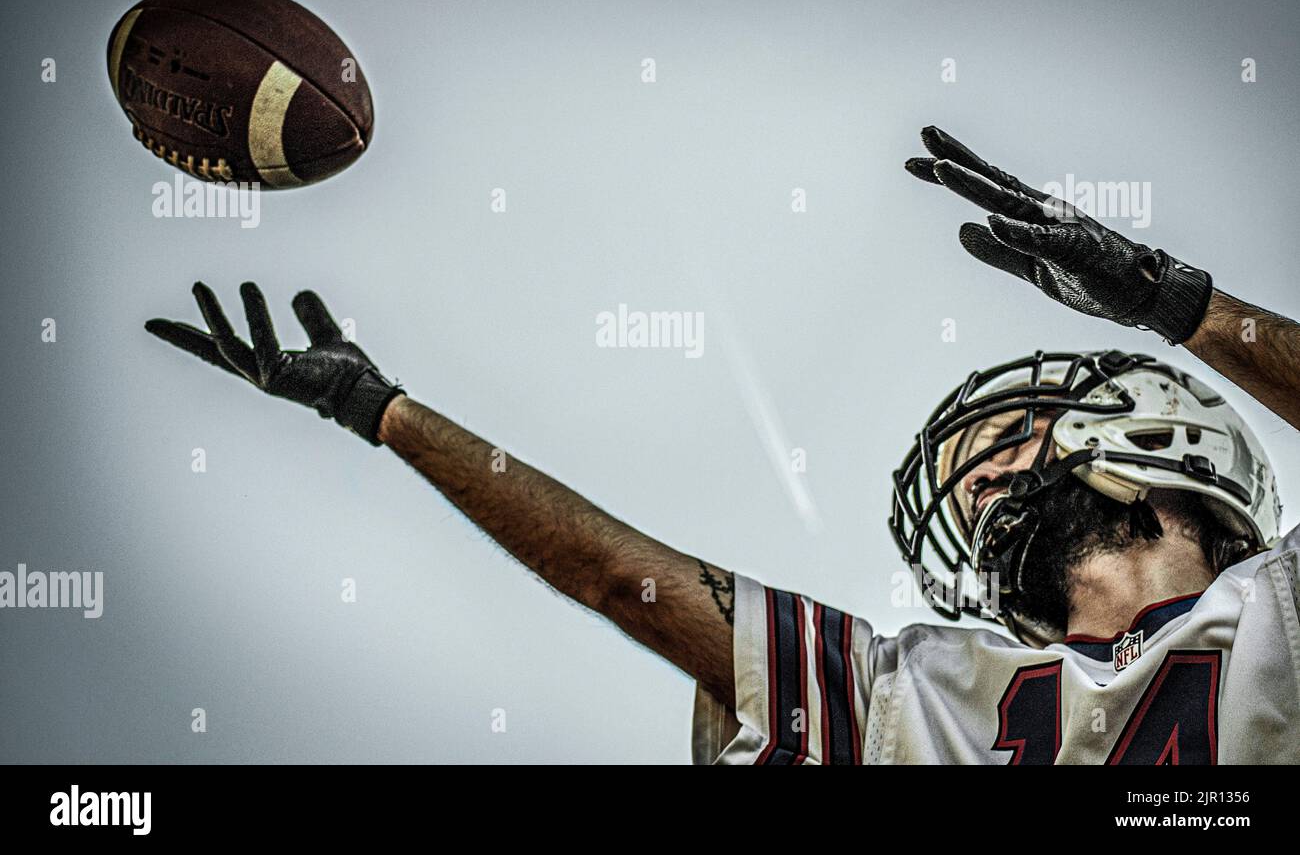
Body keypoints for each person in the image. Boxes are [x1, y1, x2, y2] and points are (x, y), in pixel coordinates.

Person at [145, 127, 1299, 764]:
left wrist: (1178, 301)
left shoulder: (1277, 609)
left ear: (1164, 434)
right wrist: (384, 410)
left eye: (1004, 442)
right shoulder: (928, 693)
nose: (982, 479)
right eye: (969, 471)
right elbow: (618, 577)